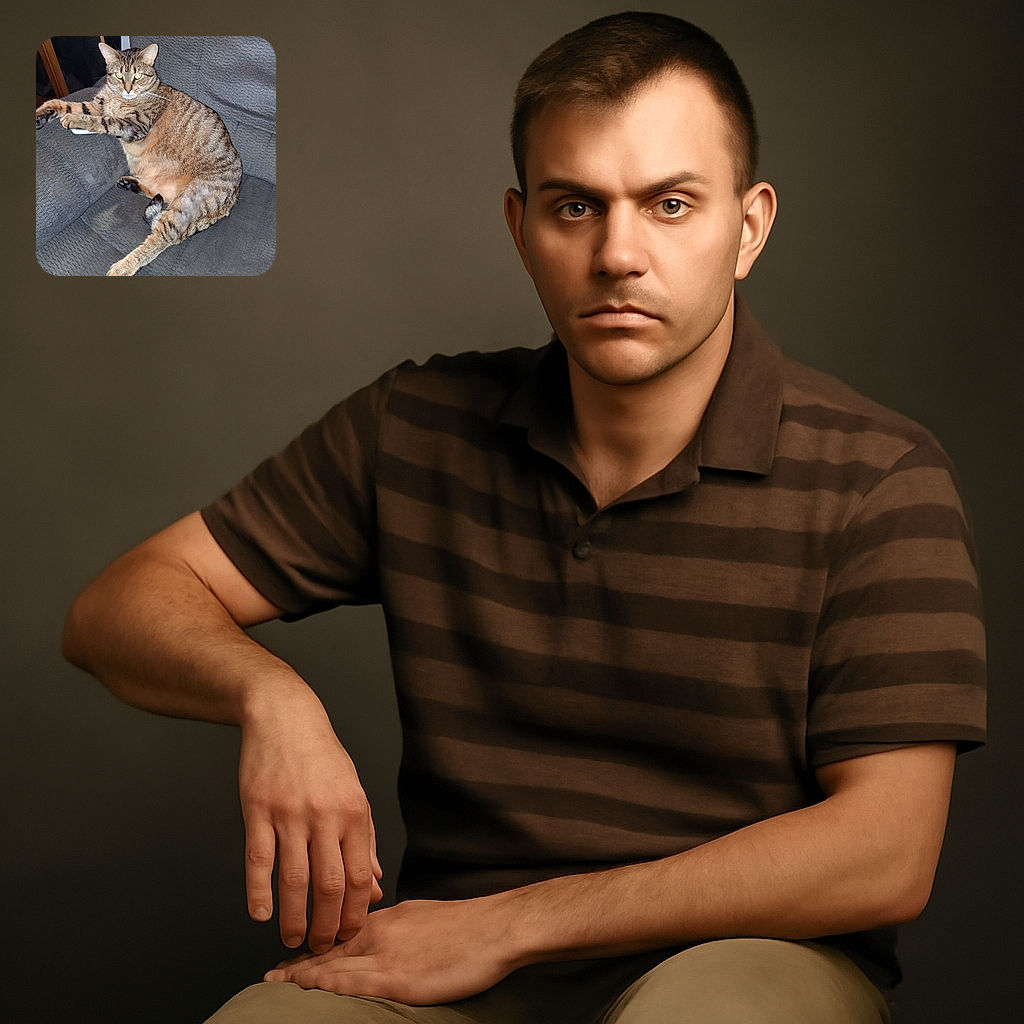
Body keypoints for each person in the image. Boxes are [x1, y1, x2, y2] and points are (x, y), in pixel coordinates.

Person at [62, 12, 985, 1024]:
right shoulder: (415, 427)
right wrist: (268, 697)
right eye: (575, 206)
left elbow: (887, 853)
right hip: (445, 979)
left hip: (741, 960)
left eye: (670, 203)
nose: (617, 254)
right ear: (520, 227)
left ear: (748, 227)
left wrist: (511, 924)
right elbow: (115, 607)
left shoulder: (881, 476)